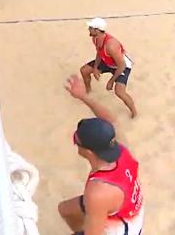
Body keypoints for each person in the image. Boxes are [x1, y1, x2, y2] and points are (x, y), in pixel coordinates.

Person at [58, 75, 144, 235]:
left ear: (88, 152)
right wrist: (83, 96)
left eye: (75, 139)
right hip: (126, 206)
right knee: (65, 210)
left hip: (123, 228)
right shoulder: (121, 148)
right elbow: (111, 120)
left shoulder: (97, 192)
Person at [80, 18, 138, 118]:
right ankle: (88, 91)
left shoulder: (111, 46)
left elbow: (121, 65)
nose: (88, 29)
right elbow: (99, 52)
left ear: (97, 30)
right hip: (108, 61)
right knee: (84, 70)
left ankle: (134, 112)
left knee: (119, 92)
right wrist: (95, 67)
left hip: (121, 66)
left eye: (91, 28)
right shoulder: (96, 38)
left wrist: (111, 81)